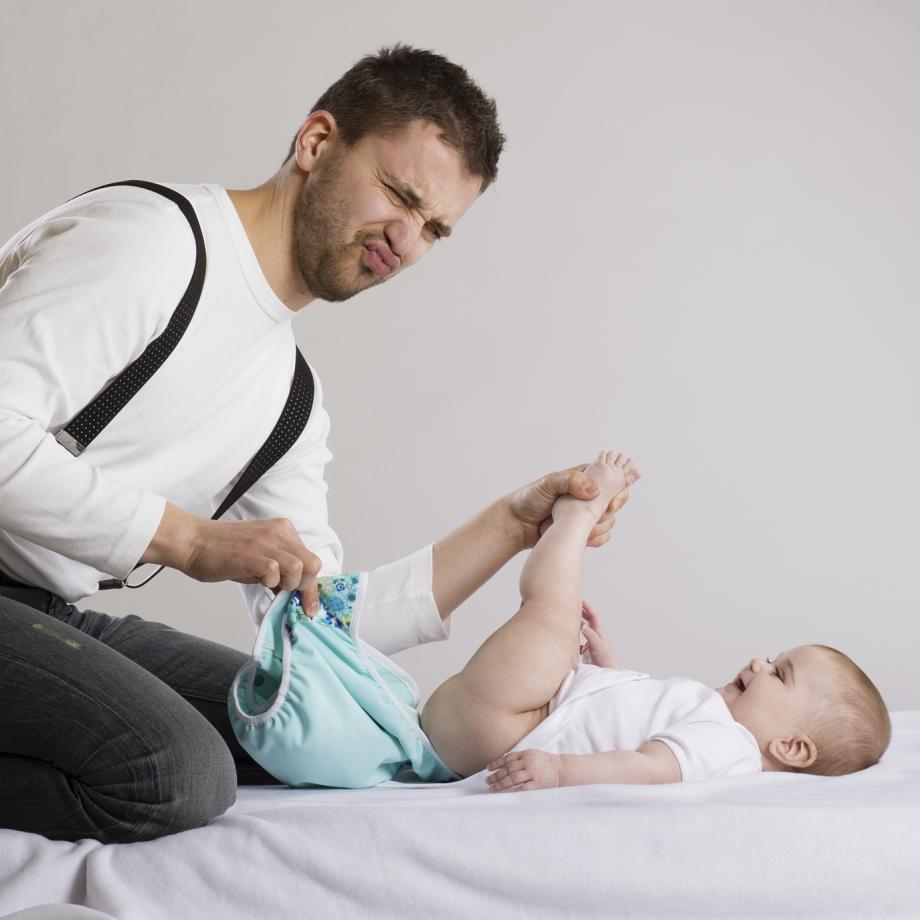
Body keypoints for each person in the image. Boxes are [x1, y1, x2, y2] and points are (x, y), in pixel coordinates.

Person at [0, 43, 629, 843]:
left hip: (40, 607)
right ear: (317, 142)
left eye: (433, 229)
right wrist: (190, 539)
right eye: (399, 195)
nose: (405, 239)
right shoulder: (155, 243)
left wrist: (513, 524)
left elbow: (320, 617)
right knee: (176, 772)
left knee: (310, 735)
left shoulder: (289, 399)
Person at [231, 450, 891, 792]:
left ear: (792, 749)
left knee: (551, 614)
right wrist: (607, 669)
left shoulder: (732, 749)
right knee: (555, 626)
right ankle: (561, 529)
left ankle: (573, 519)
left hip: (518, 730)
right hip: (515, 721)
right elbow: (635, 723)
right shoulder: (715, 725)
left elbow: (648, 767)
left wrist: (561, 773)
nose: (757, 662)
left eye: (780, 673)